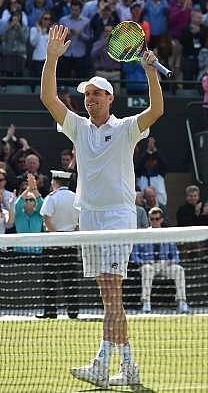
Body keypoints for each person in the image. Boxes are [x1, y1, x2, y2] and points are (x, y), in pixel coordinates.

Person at [40, 24, 164, 388]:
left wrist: (150, 70)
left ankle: (105, 363)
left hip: (117, 217)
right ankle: (127, 366)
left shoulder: (126, 128)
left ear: (110, 98)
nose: (90, 99)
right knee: (108, 296)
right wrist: (51, 59)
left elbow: (156, 109)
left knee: (111, 293)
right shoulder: (78, 128)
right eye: (87, 95)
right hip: (89, 216)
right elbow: (49, 98)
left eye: (96, 94)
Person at [37, 170, 80, 320]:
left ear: (55, 183)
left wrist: (56, 237)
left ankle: (51, 312)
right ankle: (73, 312)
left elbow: (47, 220)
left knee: (50, 279)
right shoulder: (76, 198)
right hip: (70, 243)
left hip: (52, 243)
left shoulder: (51, 197)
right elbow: (79, 222)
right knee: (70, 279)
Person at [131, 207, 190, 314]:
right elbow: (135, 255)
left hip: (165, 265)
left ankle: (182, 302)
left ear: (162, 219)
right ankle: (146, 303)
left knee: (179, 269)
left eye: (157, 219)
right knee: (147, 269)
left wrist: (171, 262)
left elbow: (176, 256)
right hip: (148, 265)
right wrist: (143, 262)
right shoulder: (142, 234)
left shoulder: (167, 234)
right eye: (152, 219)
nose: (154, 221)